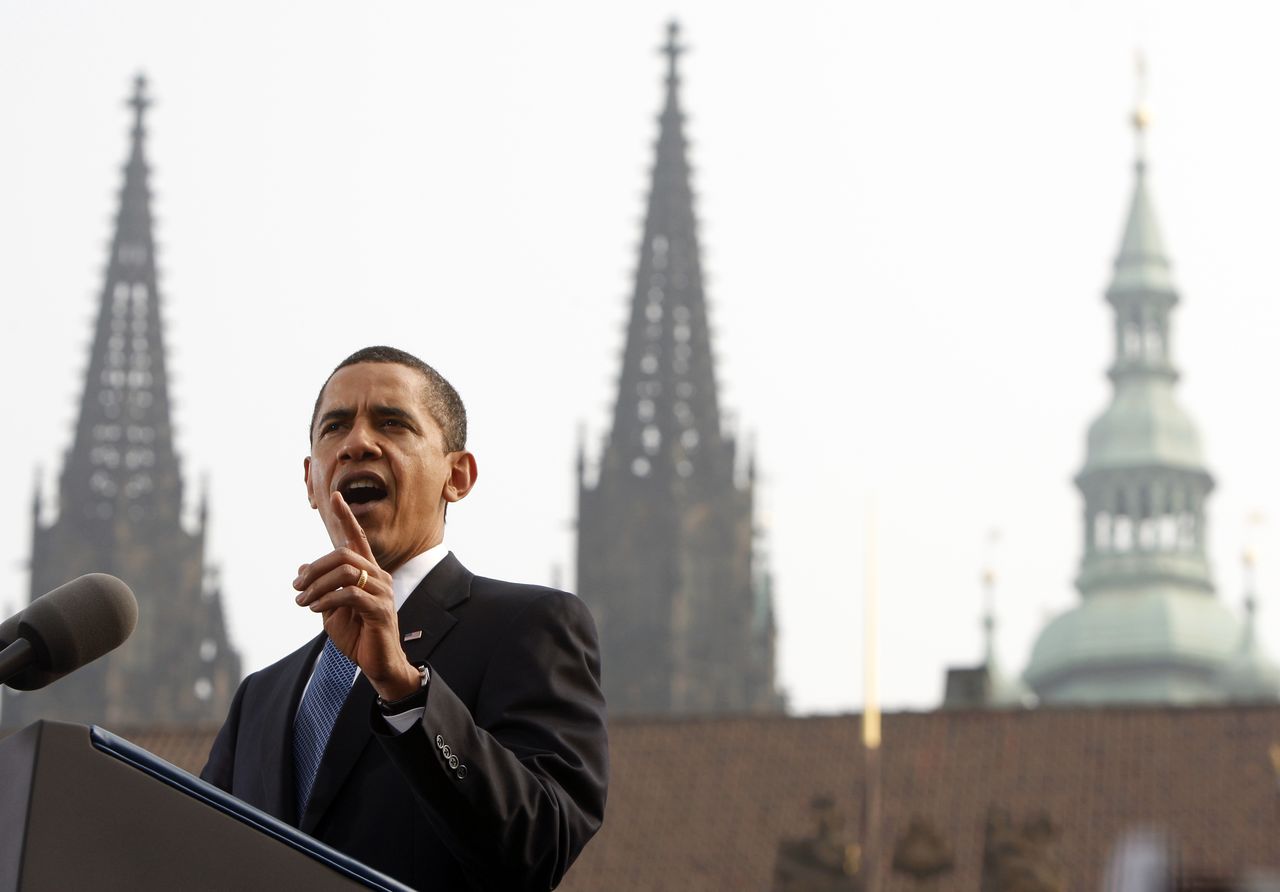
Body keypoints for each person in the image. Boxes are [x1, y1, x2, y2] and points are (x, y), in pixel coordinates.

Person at [201, 346, 609, 890]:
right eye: (335, 427)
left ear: (457, 476)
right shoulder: (260, 697)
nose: (357, 444)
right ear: (310, 480)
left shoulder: (530, 626)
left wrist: (405, 690)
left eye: (392, 423)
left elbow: (539, 845)